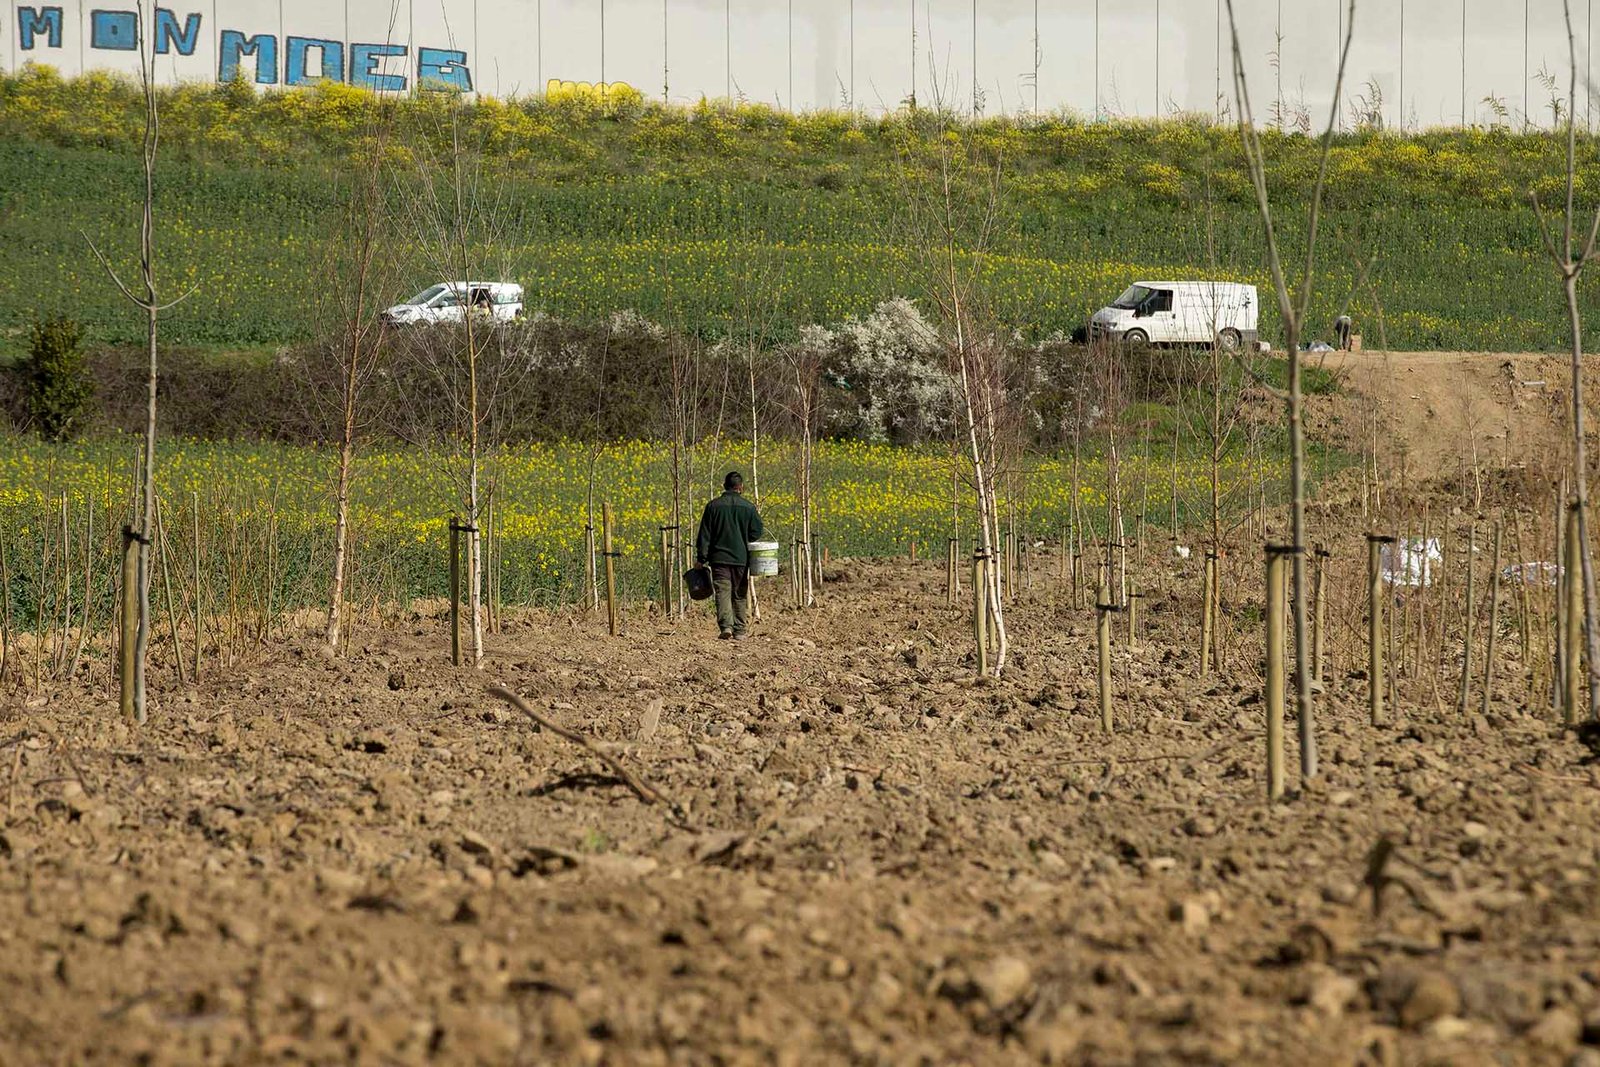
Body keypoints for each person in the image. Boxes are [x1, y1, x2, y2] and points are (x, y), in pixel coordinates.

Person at [695, 471, 765, 640]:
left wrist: (701, 558)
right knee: (739, 593)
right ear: (740, 487)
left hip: (719, 559)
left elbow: (705, 535)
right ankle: (740, 630)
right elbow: (757, 532)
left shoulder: (713, 506)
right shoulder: (748, 507)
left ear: (724, 486)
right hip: (741, 559)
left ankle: (726, 626)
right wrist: (742, 536)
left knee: (722, 592)